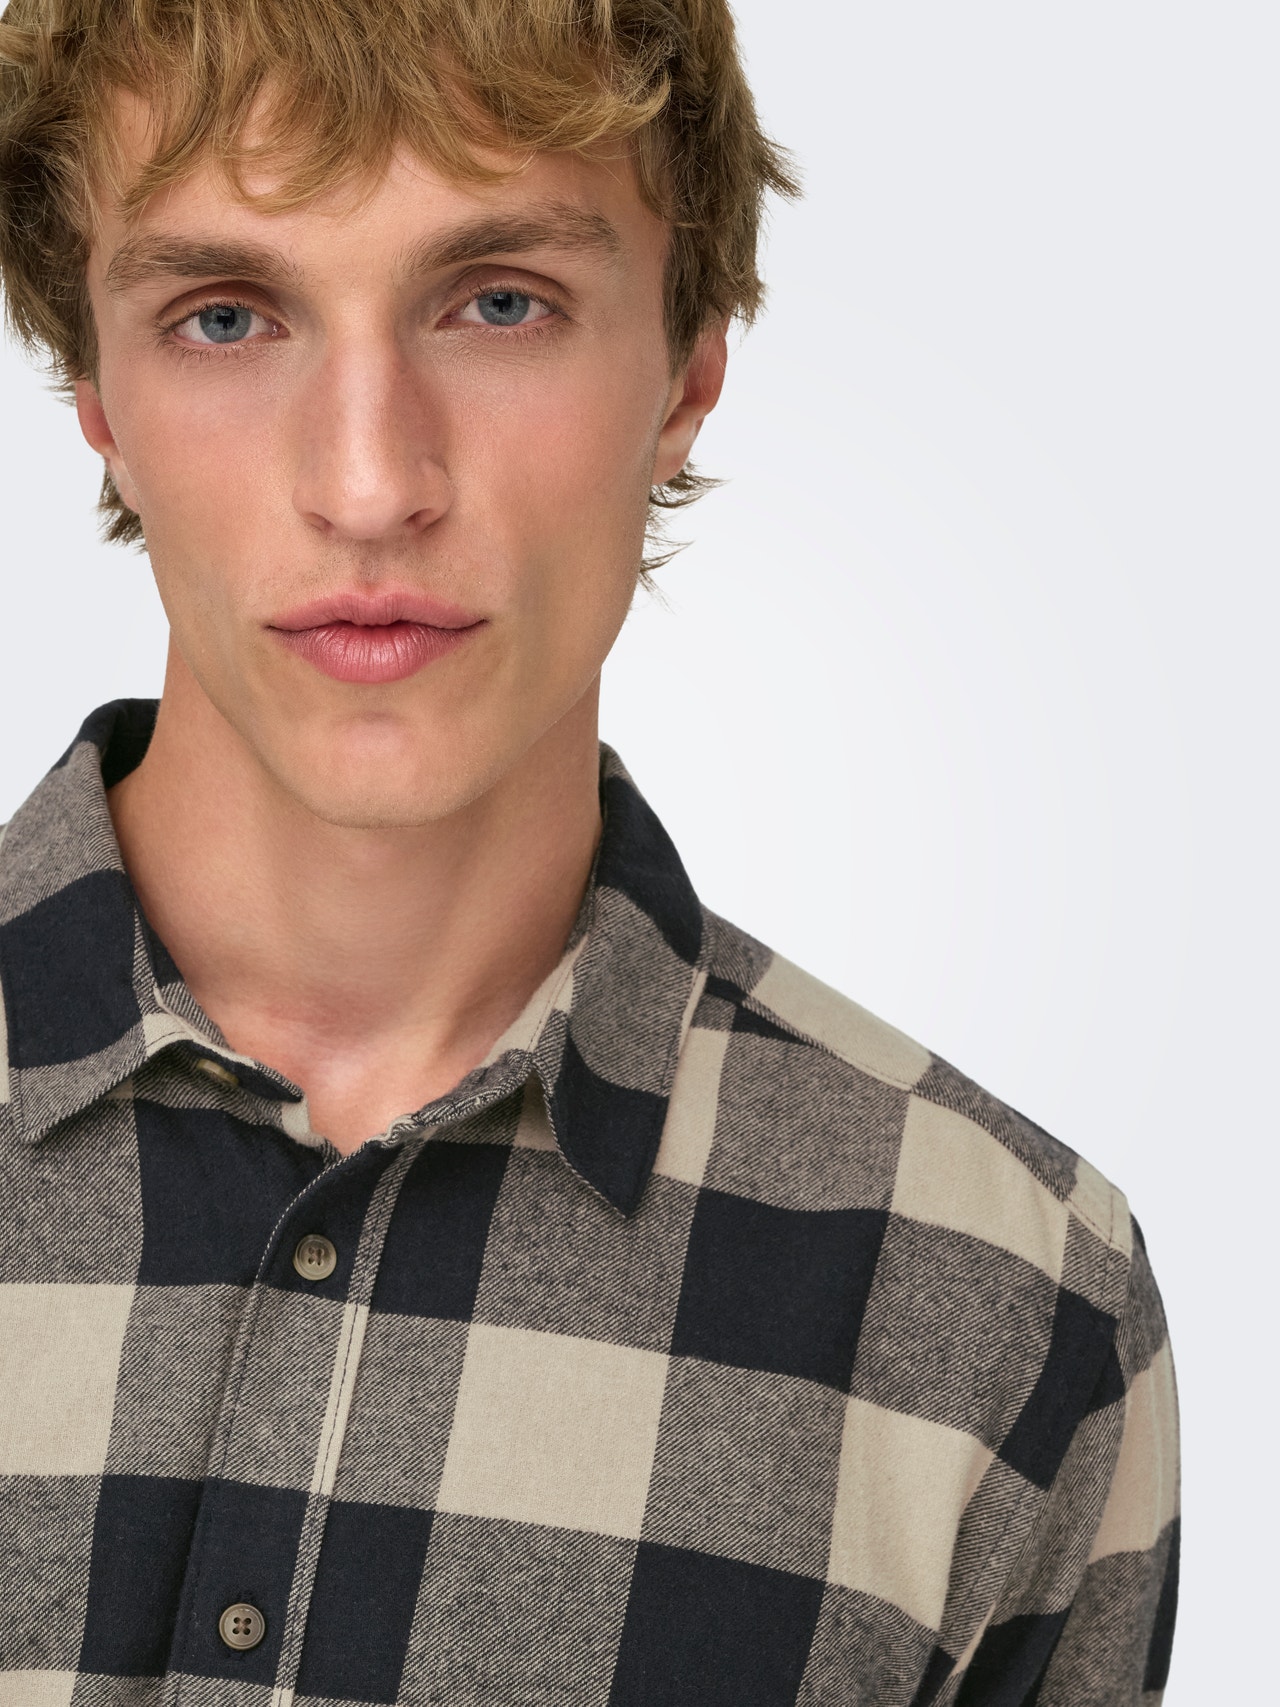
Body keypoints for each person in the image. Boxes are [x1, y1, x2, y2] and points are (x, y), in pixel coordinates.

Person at [0, 1, 1178, 1702]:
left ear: (688, 371)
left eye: (499, 303)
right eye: (227, 316)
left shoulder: (1007, 1306)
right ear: (98, 398)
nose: (370, 483)